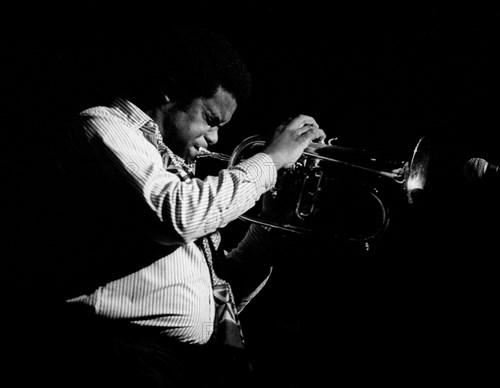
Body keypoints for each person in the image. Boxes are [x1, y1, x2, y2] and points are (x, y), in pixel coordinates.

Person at [38, 26, 326, 387]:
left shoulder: (173, 169)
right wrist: (270, 159)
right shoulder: (102, 125)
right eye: (210, 119)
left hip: (186, 365)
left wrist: (269, 225)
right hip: (119, 355)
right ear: (170, 90)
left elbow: (220, 291)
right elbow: (177, 216)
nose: (215, 139)